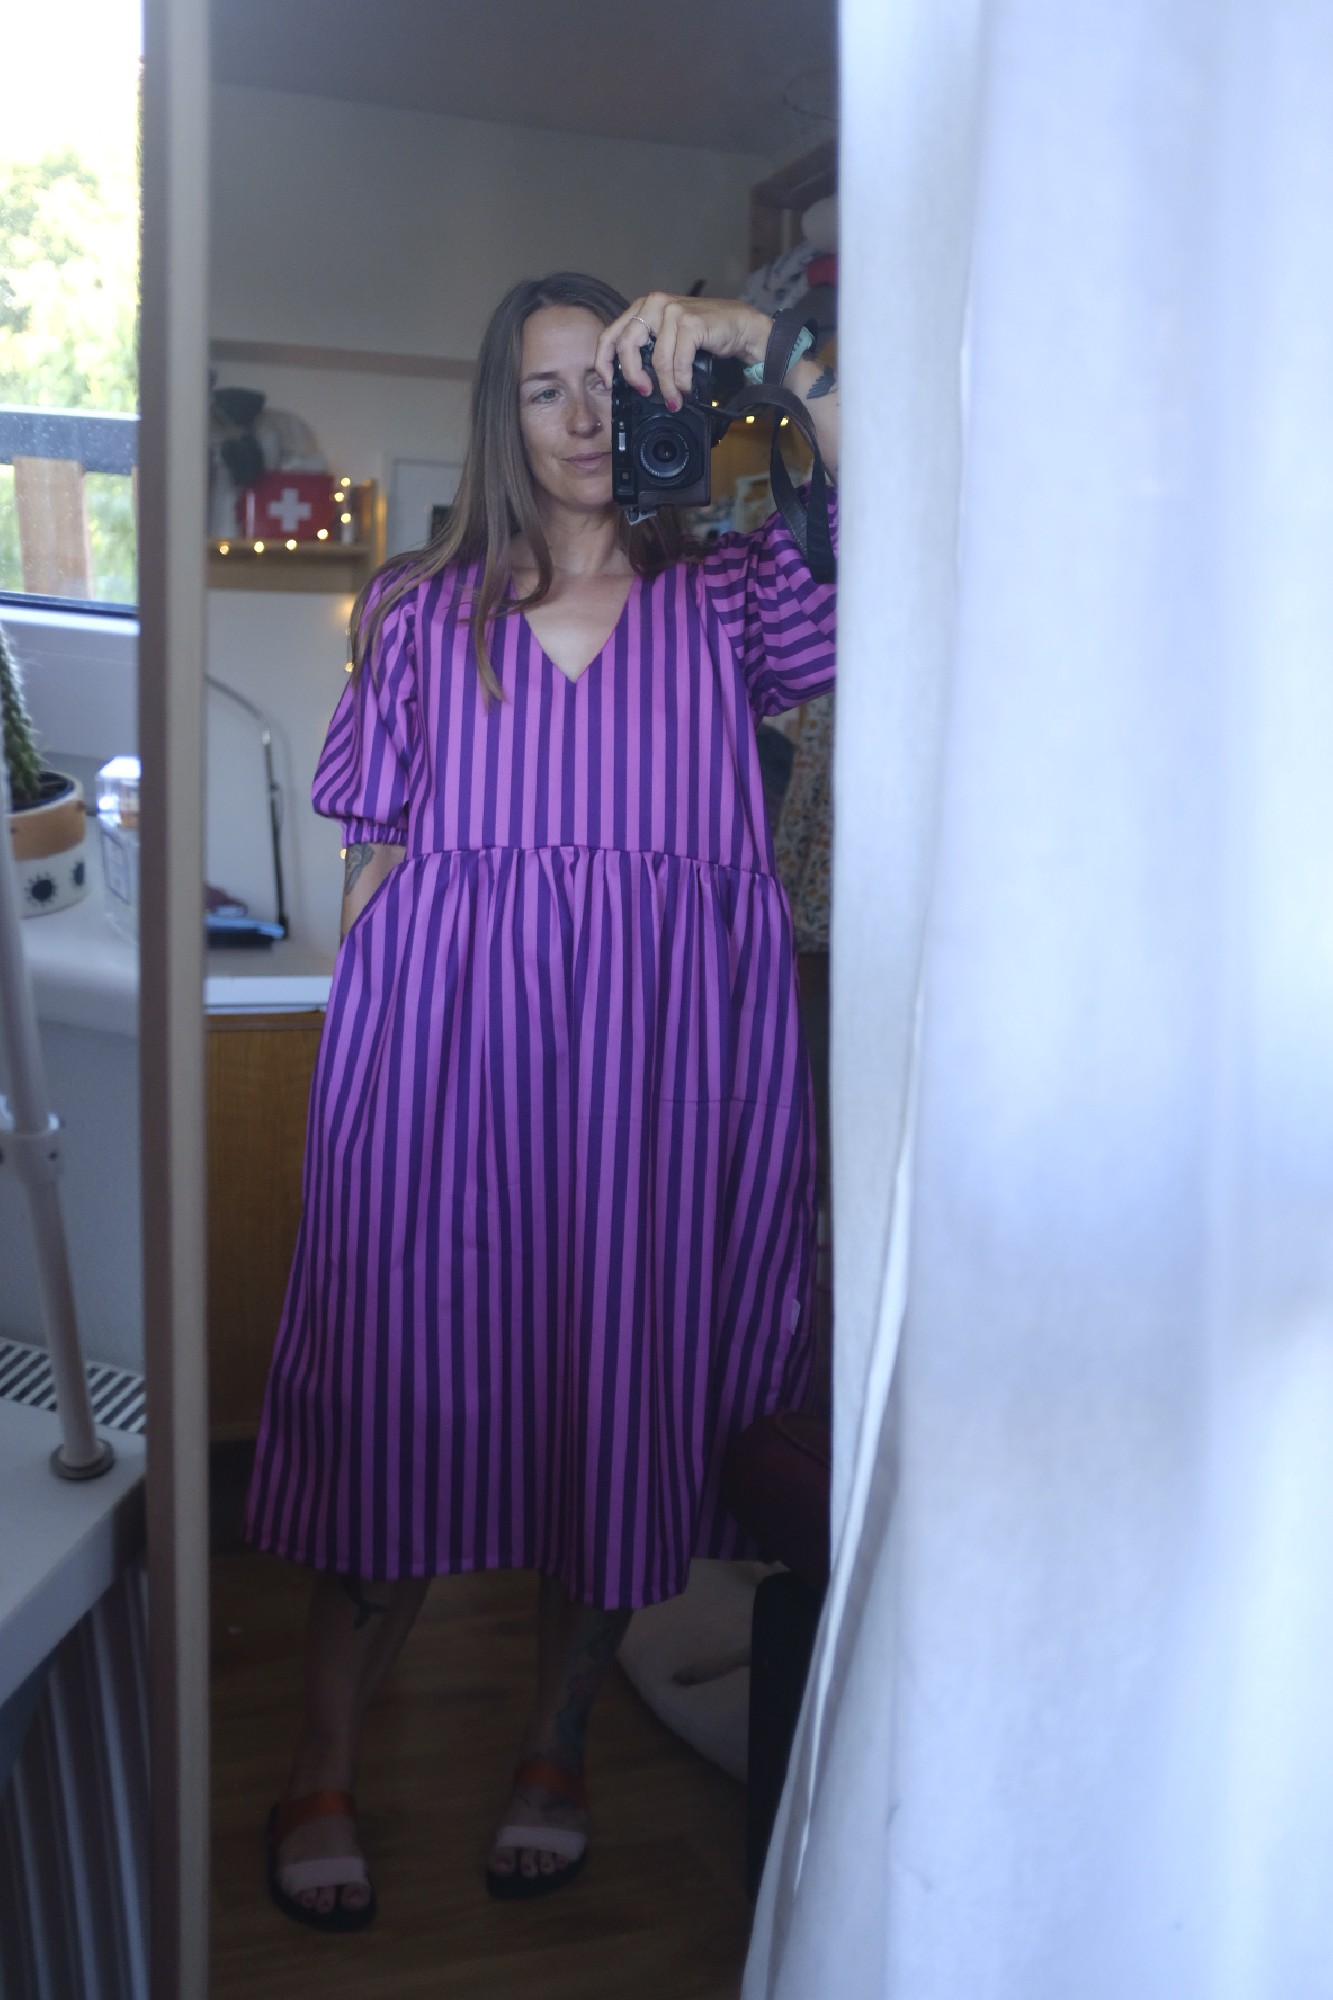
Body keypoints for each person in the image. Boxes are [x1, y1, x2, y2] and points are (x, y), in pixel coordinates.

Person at [245, 271, 840, 1926]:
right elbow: (372, 867)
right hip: (441, 1075)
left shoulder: (735, 597)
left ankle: (551, 1750)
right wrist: (354, 1112)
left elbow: (900, 520)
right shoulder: (418, 611)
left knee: (613, 1412)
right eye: (543, 388)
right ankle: (320, 1760)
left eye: (613, 384)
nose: (583, 420)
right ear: (496, 418)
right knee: (393, 1415)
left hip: (665, 1086)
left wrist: (758, 346)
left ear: (662, 402)